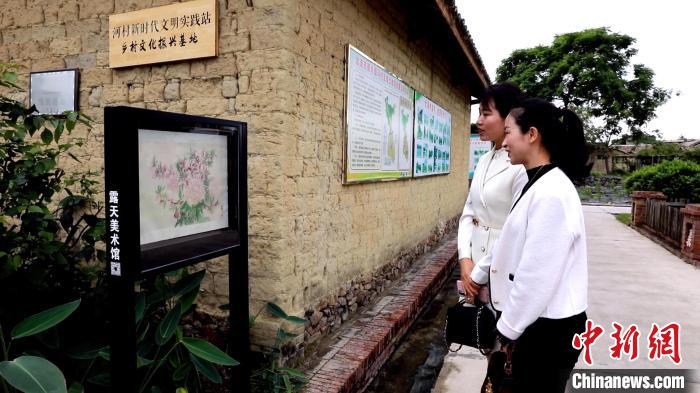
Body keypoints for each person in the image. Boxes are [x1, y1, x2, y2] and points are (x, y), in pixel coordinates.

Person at [486, 97, 590, 392]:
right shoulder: (537, 182)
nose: (503, 142)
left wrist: (507, 330)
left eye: (508, 132)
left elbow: (537, 273)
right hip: (539, 323)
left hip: (549, 329)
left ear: (531, 134)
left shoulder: (552, 192)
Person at [457, 82, 526, 305]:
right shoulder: (484, 160)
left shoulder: (521, 165)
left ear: (509, 117)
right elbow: (469, 213)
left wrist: (477, 274)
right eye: (479, 113)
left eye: (486, 114)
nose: (479, 121)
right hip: (472, 270)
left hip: (502, 271)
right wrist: (465, 259)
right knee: (475, 334)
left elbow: (514, 230)